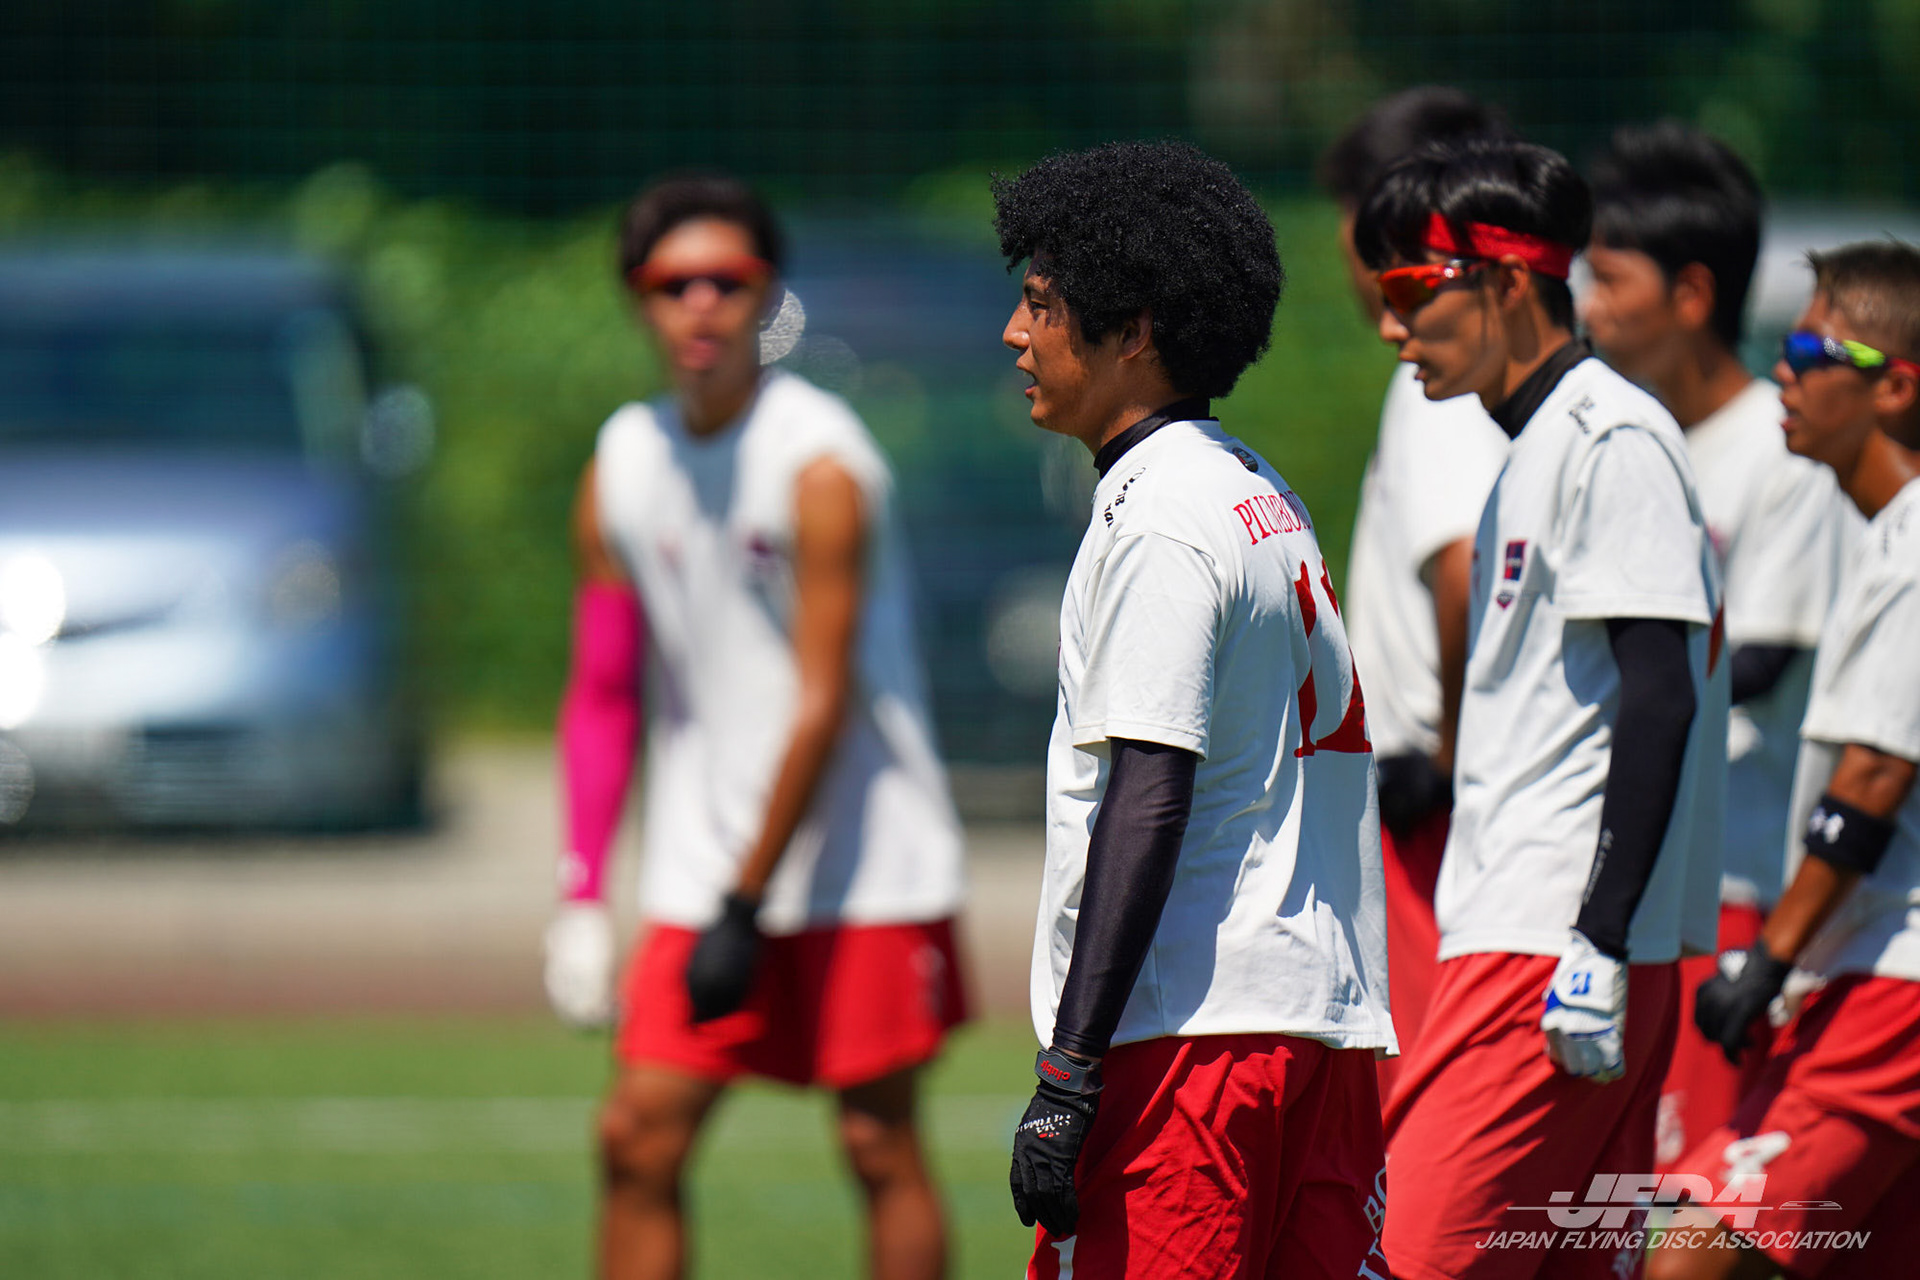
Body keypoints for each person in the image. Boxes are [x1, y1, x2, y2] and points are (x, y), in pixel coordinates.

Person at [540, 171, 970, 1280]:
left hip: (863, 861)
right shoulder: (622, 463)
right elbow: (602, 690)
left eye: (726, 282)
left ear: (767, 295)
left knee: (878, 1143)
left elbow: (817, 699)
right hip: (705, 868)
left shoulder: (819, 464)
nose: (701, 306)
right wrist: (582, 893)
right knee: (637, 1135)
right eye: (671, 283)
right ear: (637, 298)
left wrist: (747, 900)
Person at [993, 140, 1396, 1280]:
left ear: (1133, 331)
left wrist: (1071, 1067)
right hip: (1312, 1026)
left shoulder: (1161, 518)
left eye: (1042, 305)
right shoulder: (1255, 487)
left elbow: (1149, 789)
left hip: (1191, 1039)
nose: (1016, 334)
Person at [1354, 137, 1726, 1280]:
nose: (1392, 327)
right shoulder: (1537, 442)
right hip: (1548, 944)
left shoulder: (1609, 436)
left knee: (1408, 1260)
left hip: (1548, 952)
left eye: (1411, 287)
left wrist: (1598, 940)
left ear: (1509, 280)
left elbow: (1661, 693)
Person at [1582, 121, 1860, 1171]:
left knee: (1690, 1200)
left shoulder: (1782, 453)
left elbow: (1759, 660)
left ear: (1692, 294)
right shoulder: (1630, 442)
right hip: (1653, 873)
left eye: (1610, 279)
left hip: (1741, 883)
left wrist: (1585, 695)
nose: (1589, 307)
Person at [1647, 241, 1920, 1280]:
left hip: (1890, 982)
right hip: (1870, 969)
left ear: (1894, 386)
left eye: (1811, 351)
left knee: (1689, 1258)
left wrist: (1769, 959)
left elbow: (1874, 779)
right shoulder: (1884, 537)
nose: (1784, 374)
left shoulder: (1912, 549)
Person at [1320, 86, 1514, 1098]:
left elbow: (1464, 567)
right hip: (1455, 786)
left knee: (1430, 1098)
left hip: (1435, 802)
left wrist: (1443, 756)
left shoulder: (1433, 381)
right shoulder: (1489, 366)